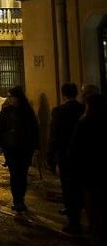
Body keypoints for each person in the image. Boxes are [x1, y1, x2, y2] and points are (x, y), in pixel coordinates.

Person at [68, 89, 105, 246]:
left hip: (89, 171)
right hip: (98, 169)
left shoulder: (84, 122)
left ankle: (96, 237)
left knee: (92, 205)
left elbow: (75, 148)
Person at [48, 83, 85, 233]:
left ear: (63, 94)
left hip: (65, 156)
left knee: (69, 189)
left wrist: (51, 155)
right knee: (82, 187)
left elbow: (54, 136)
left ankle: (74, 222)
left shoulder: (58, 111)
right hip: (83, 155)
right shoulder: (83, 110)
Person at [0, 86, 39, 213]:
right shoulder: (6, 111)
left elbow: (34, 130)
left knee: (22, 174)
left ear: (18, 97)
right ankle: (17, 200)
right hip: (10, 147)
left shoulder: (27, 111)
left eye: (11, 96)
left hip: (25, 147)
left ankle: (21, 198)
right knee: (15, 174)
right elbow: (0, 128)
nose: (8, 99)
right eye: (8, 96)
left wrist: (36, 147)